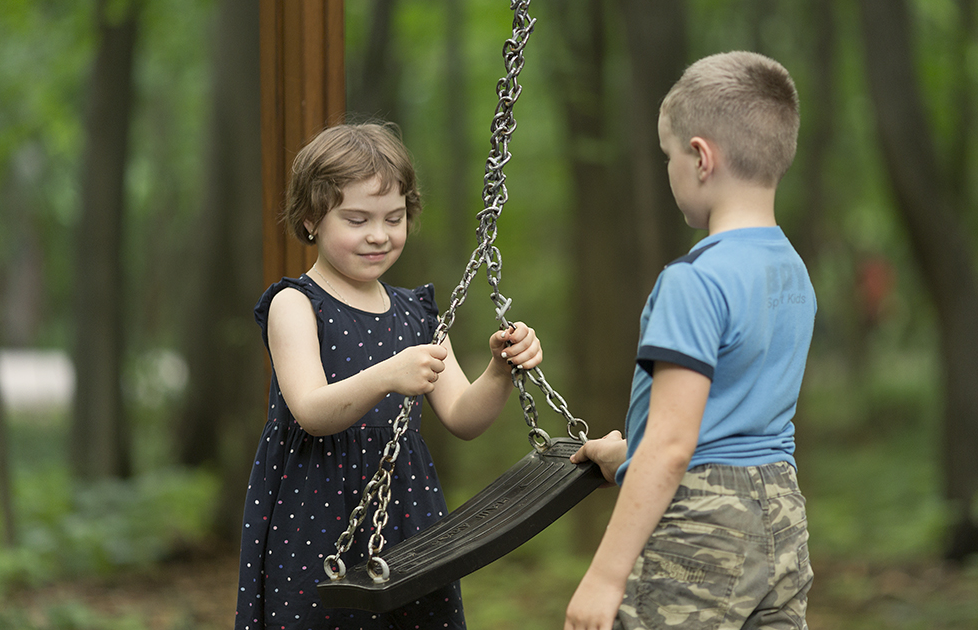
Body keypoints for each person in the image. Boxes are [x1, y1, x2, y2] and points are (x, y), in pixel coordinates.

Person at [234, 122, 543, 630]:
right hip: (313, 509)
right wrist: (387, 374)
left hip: (404, 510)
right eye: (356, 219)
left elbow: (463, 416)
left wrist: (500, 369)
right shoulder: (295, 305)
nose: (378, 235)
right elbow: (310, 411)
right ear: (312, 219)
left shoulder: (416, 313)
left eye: (393, 218)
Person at [564, 52, 816, 630]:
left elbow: (676, 446)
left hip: (704, 526)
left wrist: (605, 577)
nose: (668, 169)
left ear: (700, 157)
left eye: (668, 156)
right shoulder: (791, 272)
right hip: (782, 518)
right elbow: (735, 425)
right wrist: (626, 455)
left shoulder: (694, 281)